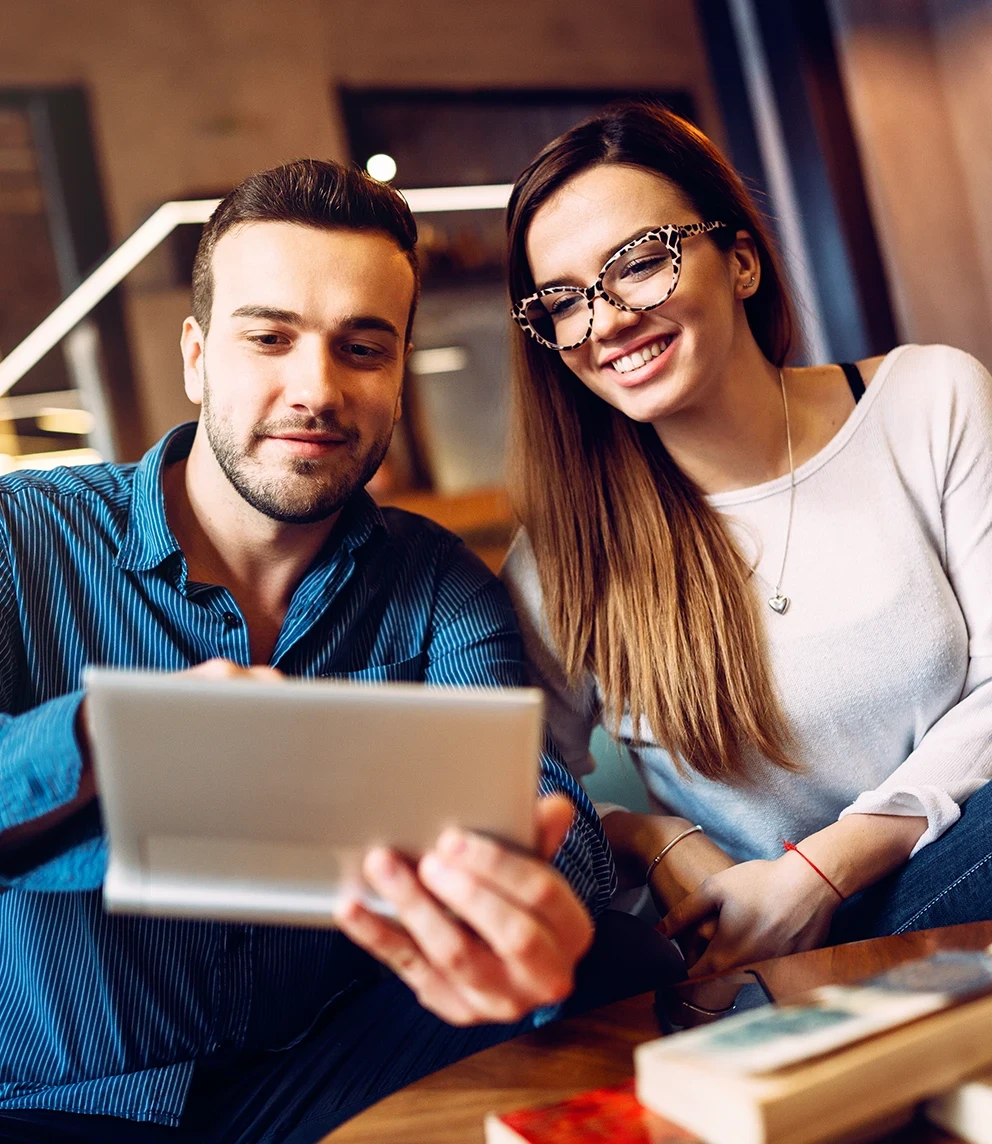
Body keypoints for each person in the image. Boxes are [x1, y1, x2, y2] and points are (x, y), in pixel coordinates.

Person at [0, 159, 623, 1142]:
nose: (317, 388)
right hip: (58, 1100)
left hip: (328, 1074)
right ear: (199, 356)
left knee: (624, 959)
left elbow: (542, 807)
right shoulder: (19, 535)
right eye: (270, 338)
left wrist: (530, 895)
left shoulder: (438, 584)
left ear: (398, 369)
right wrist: (106, 740)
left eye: (361, 347)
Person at [500, 101, 992, 980]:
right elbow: (527, 804)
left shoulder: (931, 401)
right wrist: (653, 837)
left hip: (955, 882)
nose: (606, 320)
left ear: (742, 260)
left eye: (639, 262)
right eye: (565, 300)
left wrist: (821, 872)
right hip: (775, 963)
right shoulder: (567, 555)